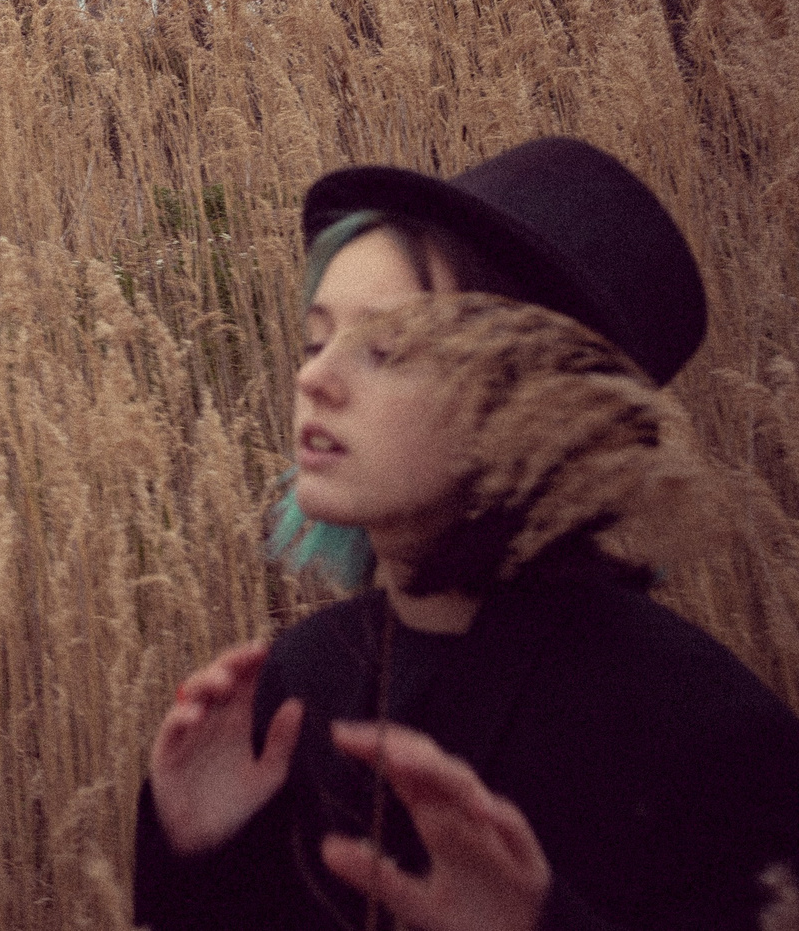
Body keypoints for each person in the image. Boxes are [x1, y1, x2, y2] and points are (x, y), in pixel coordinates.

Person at [134, 137, 799, 930]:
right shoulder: (292, 694)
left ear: (537, 402)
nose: (313, 377)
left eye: (386, 349)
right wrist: (202, 850)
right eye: (315, 341)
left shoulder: (701, 733)